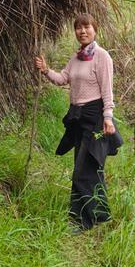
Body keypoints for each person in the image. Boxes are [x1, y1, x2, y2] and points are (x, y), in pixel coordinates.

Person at [35, 14, 121, 231]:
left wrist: (108, 117)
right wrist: (46, 70)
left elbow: (107, 90)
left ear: (95, 29)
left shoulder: (102, 56)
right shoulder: (77, 58)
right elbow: (63, 78)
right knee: (85, 168)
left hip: (96, 121)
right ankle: (87, 217)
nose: (82, 31)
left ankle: (89, 221)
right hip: (78, 119)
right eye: (78, 28)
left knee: (84, 171)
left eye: (86, 27)